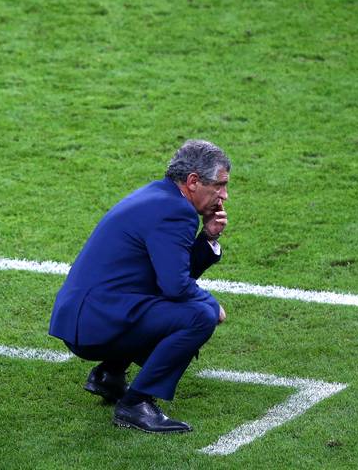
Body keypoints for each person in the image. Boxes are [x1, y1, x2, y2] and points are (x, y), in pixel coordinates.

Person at [49, 140, 229, 433]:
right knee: (199, 316)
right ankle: (136, 403)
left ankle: (110, 374)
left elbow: (169, 275)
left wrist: (207, 237)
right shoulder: (177, 212)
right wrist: (211, 305)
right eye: (219, 185)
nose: (224, 195)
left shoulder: (160, 195)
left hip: (88, 314)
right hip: (96, 320)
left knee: (175, 306)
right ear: (193, 181)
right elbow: (175, 287)